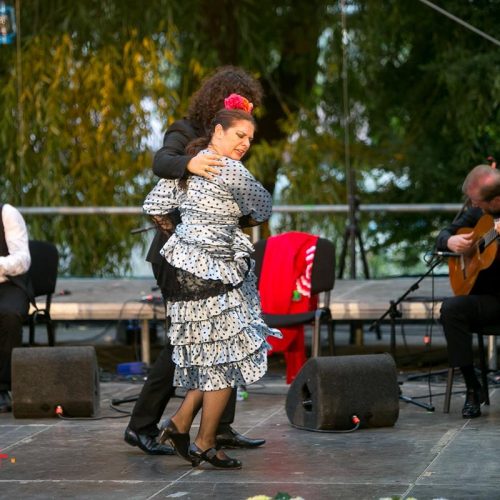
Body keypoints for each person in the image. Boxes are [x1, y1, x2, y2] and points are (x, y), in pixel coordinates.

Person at [124, 66, 266, 455]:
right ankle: (141, 426)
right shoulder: (185, 131)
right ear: (217, 102)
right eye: (236, 104)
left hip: (216, 258)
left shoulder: (234, 143)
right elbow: (161, 162)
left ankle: (218, 427)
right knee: (185, 341)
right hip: (181, 259)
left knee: (230, 335)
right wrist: (190, 164)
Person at [143, 107, 280, 469]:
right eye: (239, 135)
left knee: (212, 355)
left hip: (185, 271)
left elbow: (154, 205)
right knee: (227, 355)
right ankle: (202, 440)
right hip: (215, 271)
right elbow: (264, 206)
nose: (245, 144)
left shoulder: (190, 165)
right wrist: (229, 223)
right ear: (218, 131)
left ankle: (180, 425)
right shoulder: (231, 169)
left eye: (250, 139)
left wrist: (188, 232)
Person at [437, 164, 500, 418]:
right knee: (451, 309)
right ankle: (472, 386)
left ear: (495, 200)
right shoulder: (478, 213)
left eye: (477, 201)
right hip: (488, 301)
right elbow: (443, 235)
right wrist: (449, 240)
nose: (473, 206)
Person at [0, 203, 31, 412]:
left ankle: (3, 387)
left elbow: (23, 259)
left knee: (9, 315)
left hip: (8, 282)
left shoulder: (7, 213)